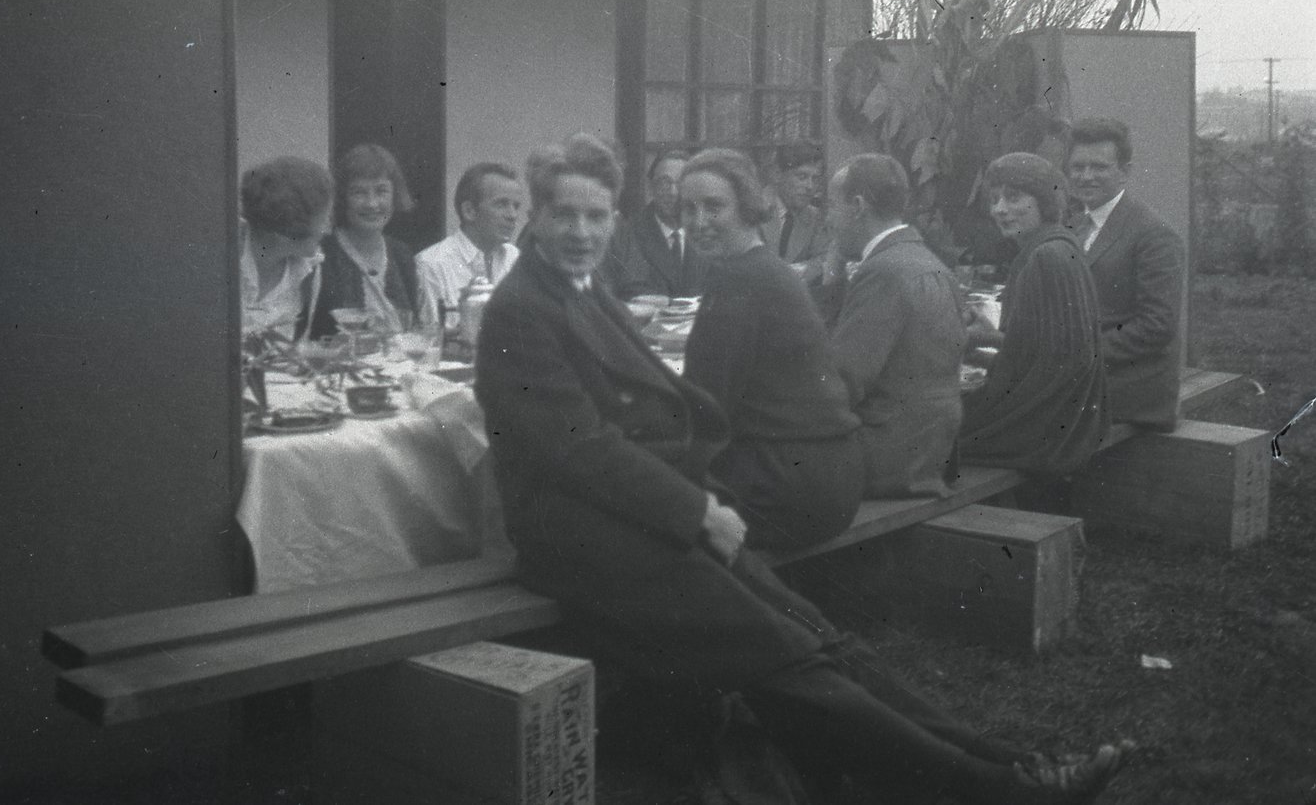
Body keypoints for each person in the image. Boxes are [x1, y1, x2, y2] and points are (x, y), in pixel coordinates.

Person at [474, 132, 1131, 805]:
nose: (582, 231)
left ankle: (1016, 764)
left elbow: (661, 418)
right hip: (579, 536)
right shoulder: (522, 310)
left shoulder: (583, 291)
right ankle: (992, 791)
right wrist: (697, 508)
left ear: (615, 219)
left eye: (596, 216)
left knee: (817, 637)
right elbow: (582, 448)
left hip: (637, 516)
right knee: (779, 655)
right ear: (538, 218)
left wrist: (700, 498)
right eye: (566, 216)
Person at [678, 148, 864, 551]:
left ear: (747, 206)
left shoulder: (738, 280)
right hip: (831, 476)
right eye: (688, 209)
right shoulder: (767, 269)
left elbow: (706, 406)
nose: (698, 222)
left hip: (788, 486)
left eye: (714, 207)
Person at [959, 153, 1111, 477]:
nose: (1000, 209)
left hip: (1049, 427)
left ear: (1044, 201)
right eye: (995, 199)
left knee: (932, 432)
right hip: (1063, 418)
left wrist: (976, 346)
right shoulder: (1053, 247)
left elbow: (1057, 370)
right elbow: (1039, 353)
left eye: (1013, 198)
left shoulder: (1048, 256)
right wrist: (987, 337)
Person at [826, 153, 968, 497]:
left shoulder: (883, 271)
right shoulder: (926, 260)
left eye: (831, 205)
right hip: (932, 451)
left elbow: (843, 381)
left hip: (891, 457)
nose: (827, 220)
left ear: (857, 205)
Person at [1066, 118, 1186, 431]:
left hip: (1132, 388)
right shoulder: (1077, 225)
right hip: (1090, 376)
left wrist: (1077, 356)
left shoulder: (1154, 234)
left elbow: (1157, 326)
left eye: (1099, 167)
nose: (1086, 176)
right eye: (1078, 167)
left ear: (1125, 171)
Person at [310, 143, 420, 337]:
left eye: (381, 191)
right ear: (342, 198)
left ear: (395, 195)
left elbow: (415, 328)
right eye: (359, 192)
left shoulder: (402, 253)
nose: (372, 203)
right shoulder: (321, 254)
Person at [238, 156, 333, 342]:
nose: (329, 229)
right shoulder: (224, 261)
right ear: (286, 230)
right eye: (323, 219)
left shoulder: (309, 269)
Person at [415, 162, 525, 320]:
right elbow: (434, 337)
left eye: (516, 206)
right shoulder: (432, 265)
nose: (512, 215)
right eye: (501, 204)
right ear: (469, 211)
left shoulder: (515, 258)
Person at [603, 148, 706, 298]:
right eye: (664, 183)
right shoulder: (628, 234)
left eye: (681, 183)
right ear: (651, 187)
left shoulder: (707, 232)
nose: (673, 192)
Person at [759, 141, 830, 286]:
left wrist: (802, 269)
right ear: (777, 175)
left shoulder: (815, 217)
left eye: (815, 179)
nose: (810, 186)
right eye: (802, 177)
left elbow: (825, 258)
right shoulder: (752, 209)